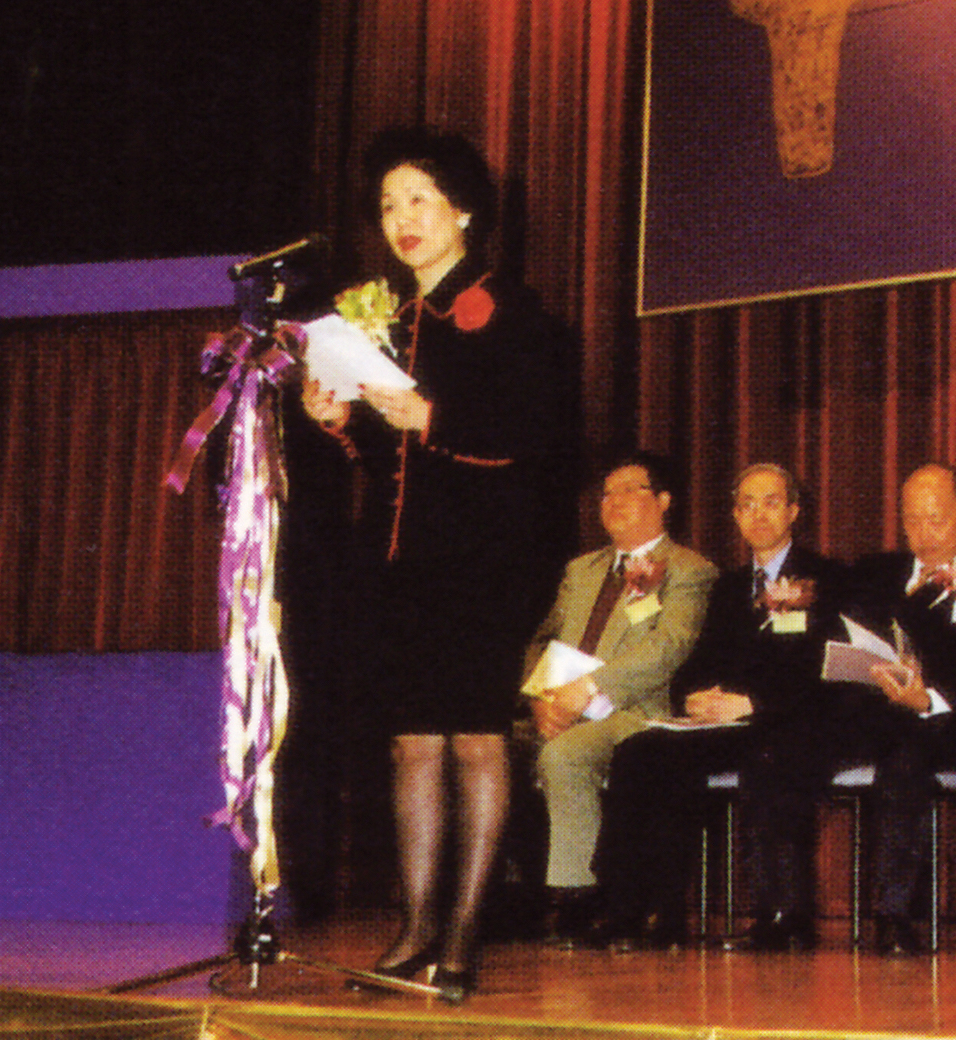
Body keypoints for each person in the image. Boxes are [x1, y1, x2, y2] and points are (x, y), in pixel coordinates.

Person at [302, 129, 577, 1001]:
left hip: (486, 560)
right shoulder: (383, 317)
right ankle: (417, 924)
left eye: (419, 199)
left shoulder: (513, 311)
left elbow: (532, 438)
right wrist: (338, 419)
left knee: (475, 741)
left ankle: (464, 931)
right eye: (388, 205)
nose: (402, 219)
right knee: (411, 745)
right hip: (399, 561)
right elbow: (388, 464)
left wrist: (428, 414)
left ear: (463, 210)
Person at [592, 462, 849, 952]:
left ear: (794, 511)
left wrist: (752, 703)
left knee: (772, 759)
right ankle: (641, 909)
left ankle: (783, 917)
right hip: (726, 724)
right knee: (641, 753)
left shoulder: (828, 579)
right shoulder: (729, 587)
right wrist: (694, 696)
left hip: (790, 720)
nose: (758, 514)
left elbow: (828, 667)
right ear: (734, 516)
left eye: (771, 502)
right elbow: (698, 660)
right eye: (746, 504)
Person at [832, 463, 956, 955]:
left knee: (906, 751)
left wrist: (928, 700)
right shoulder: (873, 576)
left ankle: (895, 913)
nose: (923, 533)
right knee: (785, 745)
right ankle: (782, 913)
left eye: (936, 520)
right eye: (912, 520)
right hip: (875, 713)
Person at [528, 454, 714, 948]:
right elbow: (542, 638)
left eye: (631, 490)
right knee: (482, 746)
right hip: (562, 703)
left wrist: (589, 689)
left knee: (566, 754)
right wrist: (541, 698)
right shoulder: (582, 569)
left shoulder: (689, 569)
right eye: (607, 493)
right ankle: (500, 903)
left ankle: (578, 897)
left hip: (635, 710)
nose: (615, 502)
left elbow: (669, 645)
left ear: (664, 501)